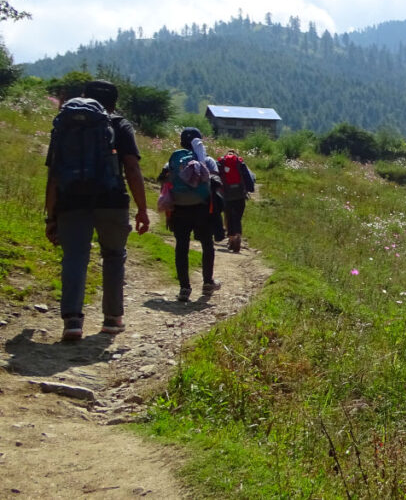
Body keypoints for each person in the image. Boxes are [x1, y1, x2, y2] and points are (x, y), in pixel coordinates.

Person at [44, 79, 150, 341]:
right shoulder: (119, 125)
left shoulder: (65, 123)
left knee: (75, 258)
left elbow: (54, 174)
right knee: (114, 256)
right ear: (114, 102)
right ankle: (112, 319)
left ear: (84, 96)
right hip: (112, 201)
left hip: (71, 202)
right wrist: (142, 209)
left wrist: (51, 216)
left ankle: (72, 322)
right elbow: (132, 169)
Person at [161, 127, 221, 302]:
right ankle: (208, 282)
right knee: (207, 244)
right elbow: (216, 183)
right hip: (202, 209)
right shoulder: (207, 160)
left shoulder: (173, 159)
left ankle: (184, 288)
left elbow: (164, 181)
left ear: (181, 142)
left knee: (182, 246)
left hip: (179, 209)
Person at [217, 149, 255, 253]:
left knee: (228, 217)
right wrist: (250, 189)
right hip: (240, 194)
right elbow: (249, 177)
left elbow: (216, 176)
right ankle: (238, 235)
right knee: (237, 217)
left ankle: (231, 238)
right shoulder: (240, 162)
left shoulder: (221, 162)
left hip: (227, 194)